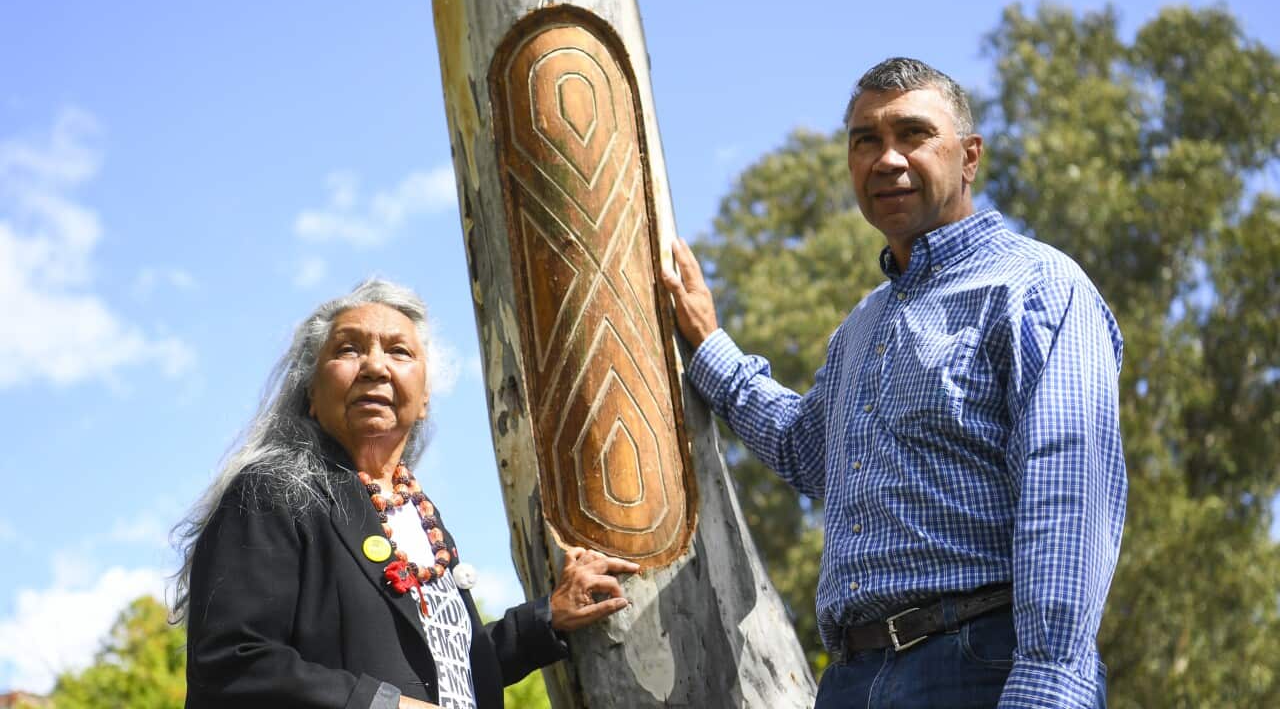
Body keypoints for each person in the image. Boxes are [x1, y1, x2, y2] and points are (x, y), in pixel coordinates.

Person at [661, 57, 1124, 709]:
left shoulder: (1035, 289)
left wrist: (1049, 684)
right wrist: (709, 345)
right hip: (851, 679)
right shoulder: (862, 325)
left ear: (969, 157)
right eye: (866, 140)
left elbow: (1068, 498)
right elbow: (806, 448)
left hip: (980, 666)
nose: (887, 158)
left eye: (912, 134)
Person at [173, 279, 639, 709]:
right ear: (311, 393)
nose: (375, 365)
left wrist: (546, 619)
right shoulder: (273, 492)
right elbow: (231, 663)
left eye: (399, 351)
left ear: (424, 397)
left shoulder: (419, 513)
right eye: (349, 349)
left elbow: (447, 670)